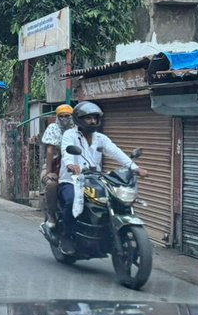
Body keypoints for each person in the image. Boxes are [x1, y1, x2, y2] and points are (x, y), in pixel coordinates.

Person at [56, 101, 147, 254]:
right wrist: (71, 165)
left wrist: (134, 167)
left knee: (114, 198)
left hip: (94, 180)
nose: (92, 121)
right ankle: (65, 236)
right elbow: (66, 151)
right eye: (88, 118)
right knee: (71, 200)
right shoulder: (69, 135)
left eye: (95, 118)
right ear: (79, 119)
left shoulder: (100, 138)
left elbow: (115, 152)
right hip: (71, 180)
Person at [40, 104, 74, 229]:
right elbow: (50, 151)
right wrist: (49, 172)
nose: (64, 119)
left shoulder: (77, 128)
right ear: (58, 117)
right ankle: (51, 215)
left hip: (73, 167)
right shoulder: (53, 128)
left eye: (67, 116)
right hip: (55, 165)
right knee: (51, 184)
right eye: (62, 116)